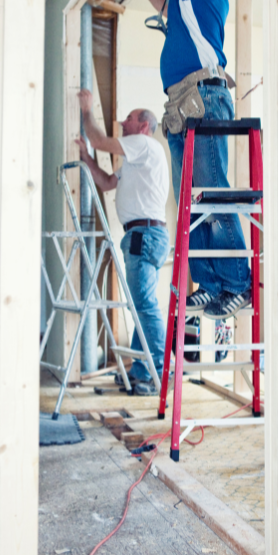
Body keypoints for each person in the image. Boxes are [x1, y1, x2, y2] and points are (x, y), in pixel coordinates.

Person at [114, 0, 252, 320]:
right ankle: (211, 285)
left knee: (211, 195)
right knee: (192, 203)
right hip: (183, 106)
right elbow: (163, 3)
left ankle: (238, 283)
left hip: (202, 99)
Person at [76, 89, 169, 396]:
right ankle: (143, 370)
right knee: (140, 306)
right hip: (141, 236)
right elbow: (106, 183)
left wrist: (87, 111)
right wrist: (88, 159)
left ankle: (157, 374)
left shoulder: (144, 144)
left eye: (129, 119)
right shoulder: (134, 161)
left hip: (144, 235)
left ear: (144, 126)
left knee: (144, 305)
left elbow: (101, 140)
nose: (123, 123)